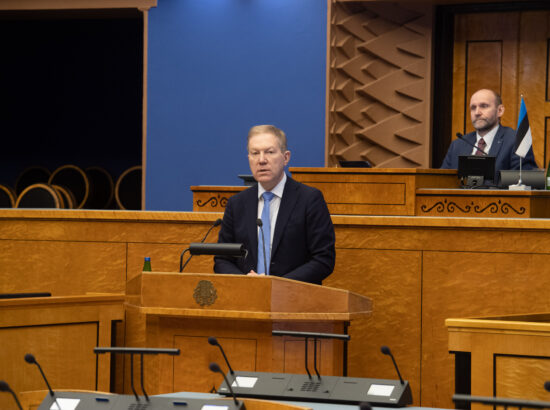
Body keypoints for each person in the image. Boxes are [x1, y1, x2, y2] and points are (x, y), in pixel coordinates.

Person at [214, 125, 335, 285]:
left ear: (286, 157)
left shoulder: (309, 199)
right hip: (247, 299)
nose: (261, 160)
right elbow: (222, 259)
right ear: (248, 158)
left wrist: (276, 284)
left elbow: (323, 259)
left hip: (295, 300)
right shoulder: (237, 204)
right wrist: (245, 282)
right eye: (255, 153)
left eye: (269, 152)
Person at [441, 89, 537, 174]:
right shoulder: (458, 144)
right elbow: (442, 181)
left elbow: (524, 181)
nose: (477, 112)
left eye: (484, 106)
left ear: (500, 110)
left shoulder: (516, 140)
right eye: (473, 108)